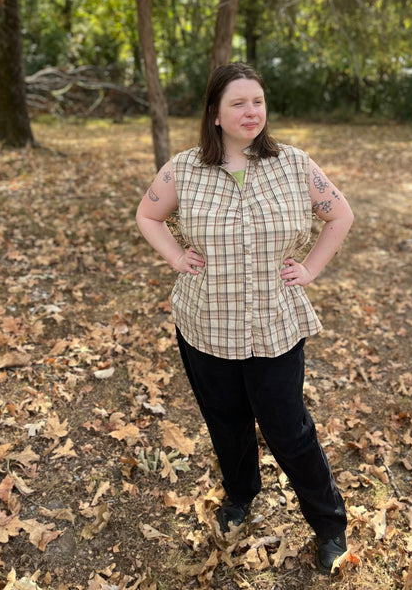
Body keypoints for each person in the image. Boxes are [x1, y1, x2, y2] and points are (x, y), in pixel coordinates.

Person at [135, 62, 354, 576]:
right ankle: (240, 495)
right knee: (226, 422)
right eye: (238, 102)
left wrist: (311, 267)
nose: (251, 111)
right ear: (215, 113)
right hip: (205, 322)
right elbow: (147, 215)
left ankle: (329, 525)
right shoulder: (183, 169)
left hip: (273, 324)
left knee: (288, 428)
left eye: (257, 101)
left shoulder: (294, 164)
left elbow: (340, 214)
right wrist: (173, 255)